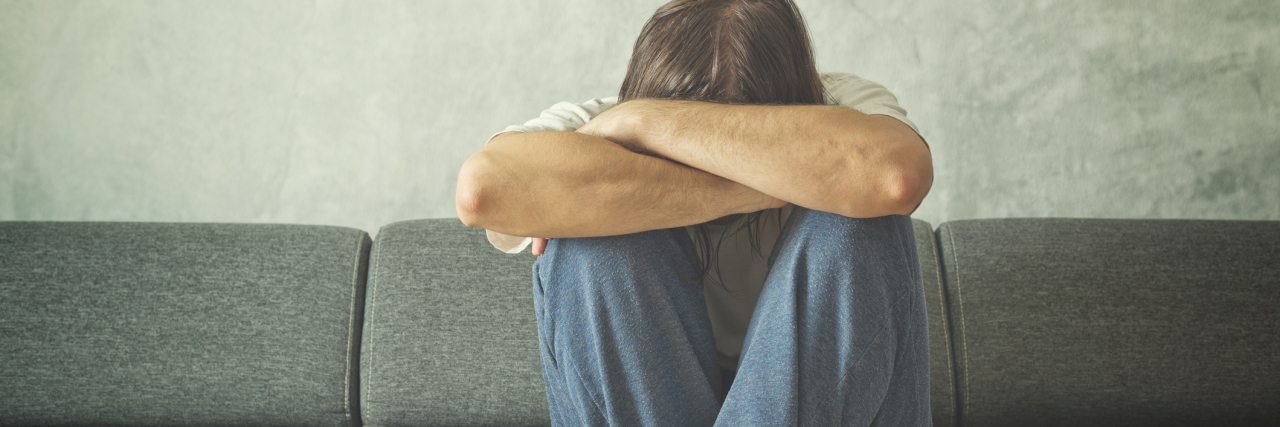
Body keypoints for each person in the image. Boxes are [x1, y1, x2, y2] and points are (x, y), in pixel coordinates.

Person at [455, 0, 934, 425]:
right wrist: (756, 185)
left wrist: (644, 125)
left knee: (861, 224)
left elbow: (896, 179)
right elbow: (481, 193)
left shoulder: (843, 106)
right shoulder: (599, 119)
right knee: (592, 244)